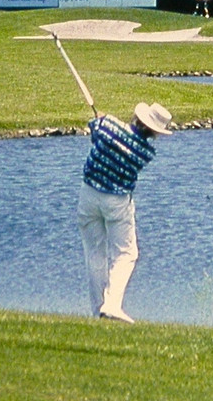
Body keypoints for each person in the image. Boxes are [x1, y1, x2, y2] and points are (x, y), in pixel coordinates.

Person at [77, 101, 172, 323]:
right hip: (117, 202)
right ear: (154, 132)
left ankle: (99, 310)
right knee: (126, 254)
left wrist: (101, 119)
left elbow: (95, 132)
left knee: (95, 254)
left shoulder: (110, 124)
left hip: (88, 194)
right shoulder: (145, 152)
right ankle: (111, 305)